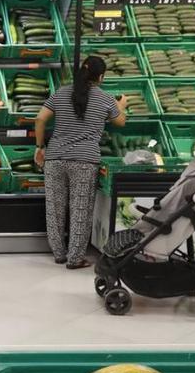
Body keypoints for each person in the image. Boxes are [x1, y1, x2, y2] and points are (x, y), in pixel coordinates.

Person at [34, 56, 128, 269]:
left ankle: (58, 253)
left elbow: (40, 119)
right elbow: (120, 122)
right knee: (80, 210)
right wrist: (121, 105)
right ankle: (75, 258)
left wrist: (40, 147)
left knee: (54, 208)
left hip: (56, 158)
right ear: (101, 77)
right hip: (85, 161)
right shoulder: (105, 99)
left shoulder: (62, 93)